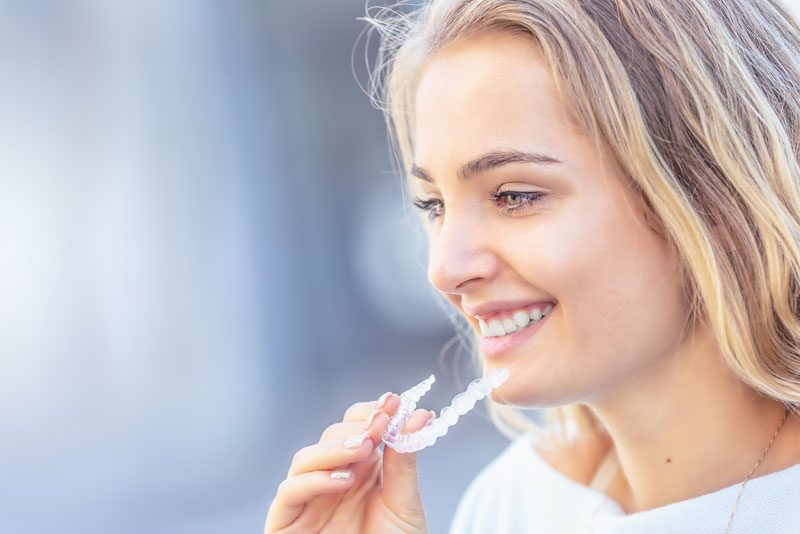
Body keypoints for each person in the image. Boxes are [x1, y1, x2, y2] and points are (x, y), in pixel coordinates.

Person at [265, 0, 800, 532]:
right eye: (434, 206)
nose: (444, 269)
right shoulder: (512, 505)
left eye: (514, 195)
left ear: (719, 200)